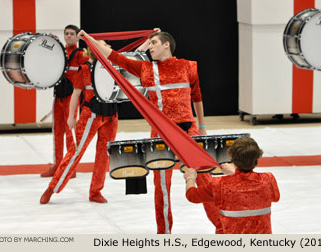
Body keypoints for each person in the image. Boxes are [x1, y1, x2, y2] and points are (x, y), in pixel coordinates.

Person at [77, 29, 221, 234]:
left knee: (206, 181)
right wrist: (89, 39)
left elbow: (197, 96)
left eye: (153, 42)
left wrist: (203, 127)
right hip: (161, 135)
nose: (149, 46)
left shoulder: (188, 66)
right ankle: (164, 234)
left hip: (189, 132)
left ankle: (222, 227)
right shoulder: (145, 69)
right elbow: (114, 56)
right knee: (162, 188)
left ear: (166, 45)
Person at [40, 41, 118, 204]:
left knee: (104, 154)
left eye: (107, 45)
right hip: (91, 115)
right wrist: (71, 117)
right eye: (101, 45)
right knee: (75, 152)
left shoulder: (115, 66)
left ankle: (95, 191)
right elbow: (75, 94)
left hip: (111, 115)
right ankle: (52, 188)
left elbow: (135, 55)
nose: (106, 47)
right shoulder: (84, 69)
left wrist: (148, 40)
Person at [184, 137, 280, 234]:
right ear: (257, 158)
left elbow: (192, 196)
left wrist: (190, 178)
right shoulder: (267, 180)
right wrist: (234, 174)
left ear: (232, 158)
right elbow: (275, 198)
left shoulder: (220, 184)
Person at [40, 24, 89, 178]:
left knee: (69, 132)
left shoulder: (81, 54)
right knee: (57, 132)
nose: (68, 36)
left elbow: (92, 61)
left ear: (77, 36)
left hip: (70, 99)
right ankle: (57, 165)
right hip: (58, 97)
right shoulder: (59, 52)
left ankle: (69, 167)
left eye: (71, 34)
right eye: (66, 33)